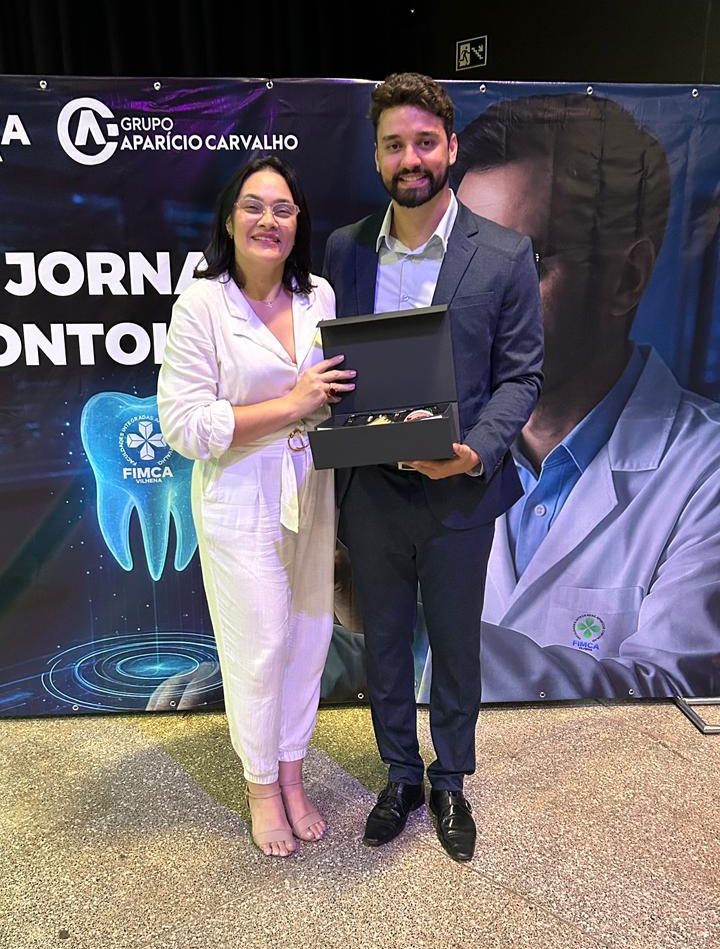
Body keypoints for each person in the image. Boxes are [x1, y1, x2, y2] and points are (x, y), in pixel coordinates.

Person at [419, 92, 720, 702]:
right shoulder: (435, 443)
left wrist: (415, 637)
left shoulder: (706, 473)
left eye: (520, 262)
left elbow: (677, 706)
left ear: (627, 278)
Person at [322, 73, 543, 862]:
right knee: (382, 644)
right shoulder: (344, 250)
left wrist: (474, 451)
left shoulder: (505, 254)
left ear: (450, 147)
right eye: (394, 145)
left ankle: (450, 779)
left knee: (453, 645)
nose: (409, 158)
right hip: (371, 489)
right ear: (376, 155)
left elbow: (522, 376)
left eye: (423, 142)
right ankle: (401, 776)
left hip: (459, 490)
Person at [158, 156, 355, 857]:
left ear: (299, 223)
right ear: (229, 220)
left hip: (312, 487)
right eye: (254, 206)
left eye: (283, 209)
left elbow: (333, 394)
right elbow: (183, 427)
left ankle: (293, 774)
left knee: (309, 636)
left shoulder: (320, 297)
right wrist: (291, 405)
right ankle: (262, 788)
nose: (269, 220)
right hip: (239, 493)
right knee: (260, 646)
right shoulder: (202, 304)